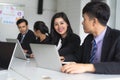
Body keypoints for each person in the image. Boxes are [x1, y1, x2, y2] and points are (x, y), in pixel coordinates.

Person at [61, 1, 120, 74]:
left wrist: (87, 67)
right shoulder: (89, 39)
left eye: (84, 19)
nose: (82, 22)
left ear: (94, 21)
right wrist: (64, 58)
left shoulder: (117, 37)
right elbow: (77, 56)